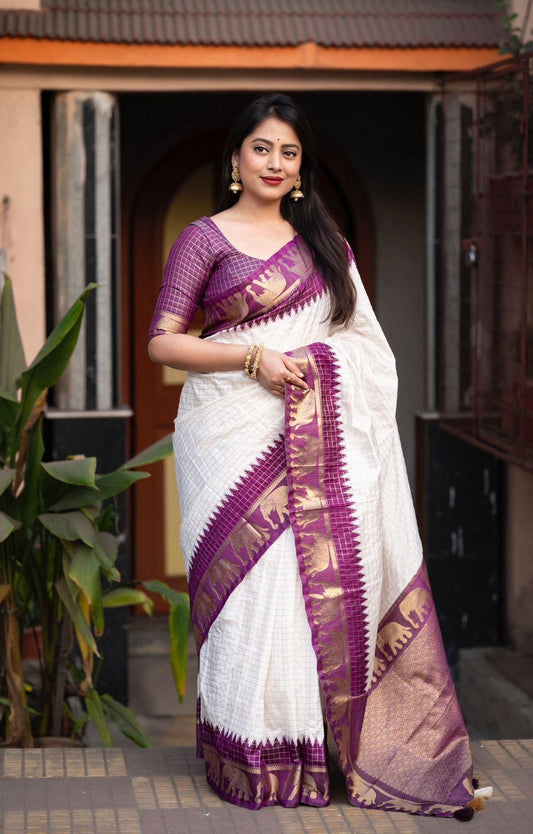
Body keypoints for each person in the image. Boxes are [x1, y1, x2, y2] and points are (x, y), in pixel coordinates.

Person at [148, 93, 487, 819]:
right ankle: (247, 754)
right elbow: (163, 343)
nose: (274, 163)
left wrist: (305, 365)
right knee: (248, 599)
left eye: (289, 152)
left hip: (318, 449)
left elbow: (365, 350)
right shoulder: (203, 239)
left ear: (301, 167)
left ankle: (307, 755)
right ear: (235, 159)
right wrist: (252, 360)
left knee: (301, 601)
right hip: (233, 440)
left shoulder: (324, 245)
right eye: (262, 148)